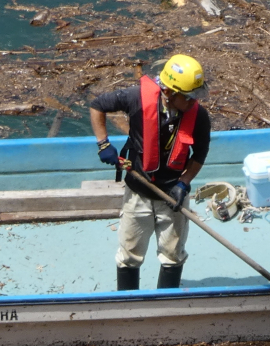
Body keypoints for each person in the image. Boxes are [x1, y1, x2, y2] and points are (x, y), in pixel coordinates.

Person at [90, 54, 212, 290]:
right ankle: (127, 303)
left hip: (172, 195)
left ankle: (166, 303)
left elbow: (199, 154)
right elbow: (98, 106)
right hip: (138, 192)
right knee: (129, 254)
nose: (194, 102)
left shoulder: (198, 116)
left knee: (173, 255)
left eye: (196, 95)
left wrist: (184, 183)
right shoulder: (135, 98)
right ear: (168, 92)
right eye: (188, 96)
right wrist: (103, 144)